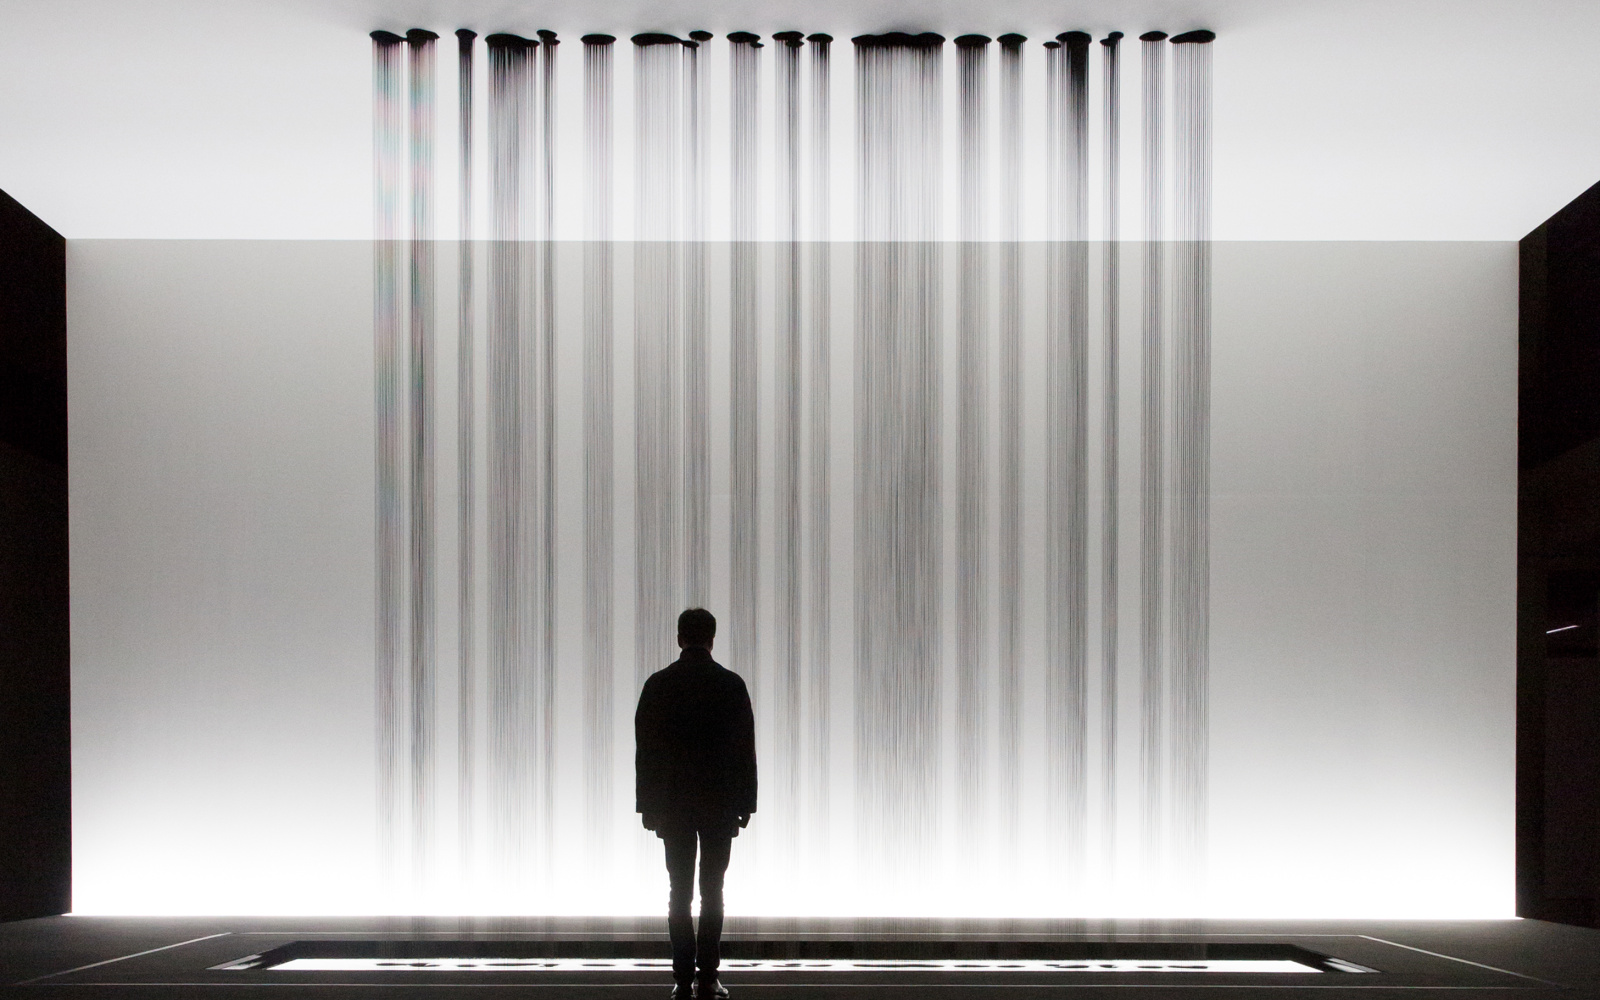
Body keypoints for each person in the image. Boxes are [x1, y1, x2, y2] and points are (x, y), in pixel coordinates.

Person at [635, 608, 757, 1000]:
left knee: (679, 890)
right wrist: (746, 803)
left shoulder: (659, 685)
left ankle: (681, 978)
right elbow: (744, 750)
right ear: (712, 638)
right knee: (713, 890)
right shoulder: (730, 685)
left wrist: (648, 806)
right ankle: (708, 977)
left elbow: (647, 752)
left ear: (679, 638)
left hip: (674, 803)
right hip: (719, 803)